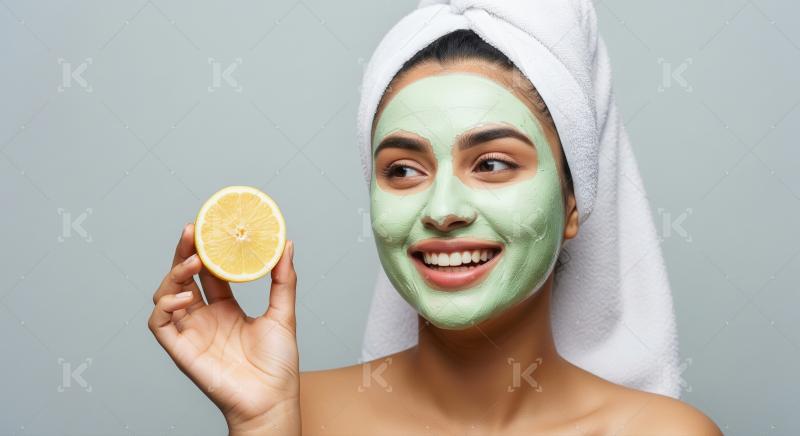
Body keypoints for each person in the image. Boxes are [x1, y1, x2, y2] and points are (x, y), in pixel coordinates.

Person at [149, 3, 722, 435]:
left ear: (573, 203)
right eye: (403, 170)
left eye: (492, 164)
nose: (443, 210)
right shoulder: (298, 414)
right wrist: (263, 424)